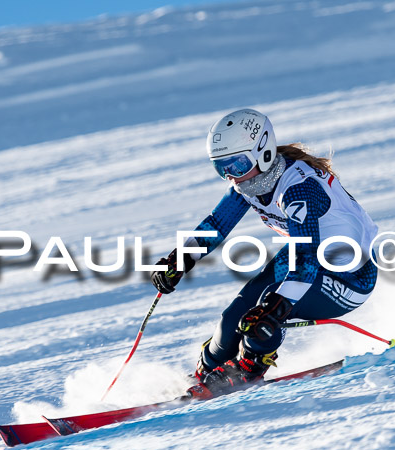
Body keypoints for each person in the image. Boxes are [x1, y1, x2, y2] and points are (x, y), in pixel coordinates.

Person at [150, 109, 378, 399]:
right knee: (234, 317)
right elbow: (217, 224)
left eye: (238, 164)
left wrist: (279, 306)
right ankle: (207, 371)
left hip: (350, 277)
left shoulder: (299, 189)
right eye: (222, 168)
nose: (232, 175)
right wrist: (181, 259)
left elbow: (306, 257)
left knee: (265, 311)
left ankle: (248, 368)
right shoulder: (252, 181)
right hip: (307, 259)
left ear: (264, 152)